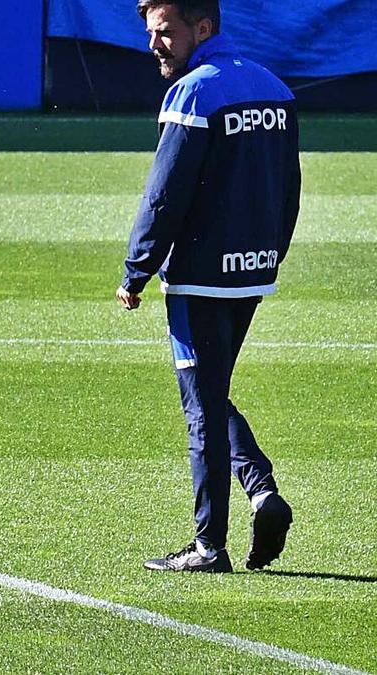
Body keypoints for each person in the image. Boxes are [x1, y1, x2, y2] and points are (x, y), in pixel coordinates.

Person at [117, 0, 300, 573]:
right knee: (212, 392)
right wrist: (270, 255)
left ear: (203, 28)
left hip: (200, 277)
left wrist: (137, 269)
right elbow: (289, 187)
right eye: (151, 33)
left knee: (199, 406)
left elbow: (165, 192)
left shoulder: (194, 93)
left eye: (166, 32)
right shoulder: (273, 87)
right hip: (251, 273)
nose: (156, 44)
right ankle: (261, 491)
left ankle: (208, 544)